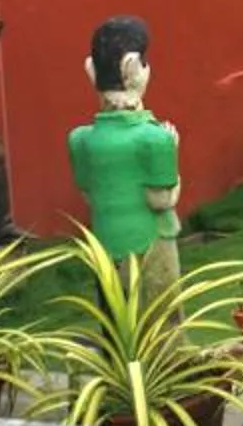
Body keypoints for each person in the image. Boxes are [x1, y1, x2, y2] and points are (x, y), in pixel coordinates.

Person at [68, 16, 182, 296]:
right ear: (133, 68)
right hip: (152, 244)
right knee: (162, 325)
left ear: (91, 71)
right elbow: (161, 198)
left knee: (115, 323)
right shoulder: (155, 139)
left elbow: (89, 195)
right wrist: (173, 152)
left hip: (106, 247)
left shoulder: (80, 140)